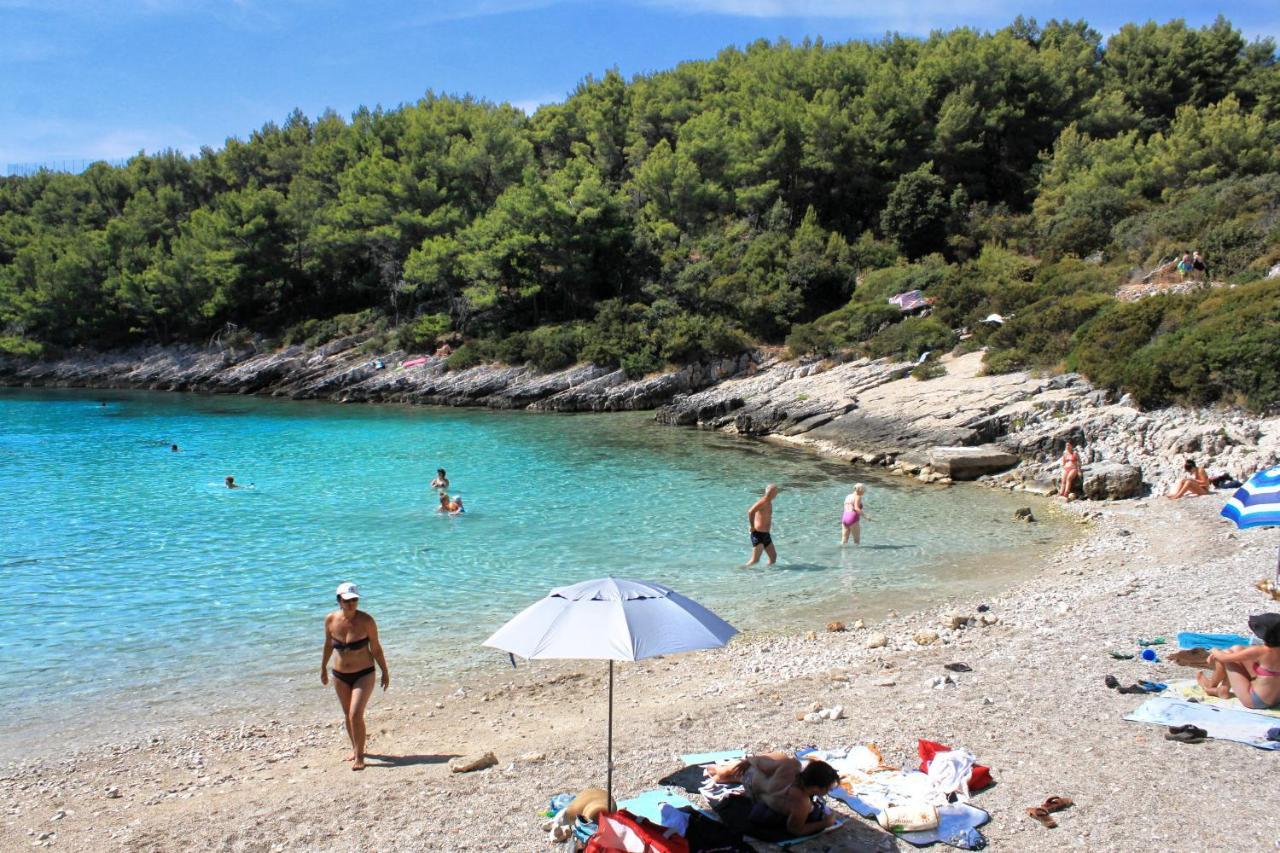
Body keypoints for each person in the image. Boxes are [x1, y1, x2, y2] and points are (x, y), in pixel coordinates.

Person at [321, 582, 390, 770]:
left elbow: (375, 648)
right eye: (347, 600)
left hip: (364, 673)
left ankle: (360, 757)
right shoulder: (330, 620)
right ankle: (355, 747)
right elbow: (328, 645)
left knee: (355, 714)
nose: (351, 604)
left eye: (354, 600)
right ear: (339, 601)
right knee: (347, 714)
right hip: (339, 675)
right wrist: (322, 669)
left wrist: (384, 671)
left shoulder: (367, 621)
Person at [708, 753, 839, 836]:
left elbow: (765, 766)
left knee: (780, 757)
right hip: (753, 793)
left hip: (751, 777)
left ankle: (722, 771)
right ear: (816, 787)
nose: (828, 791)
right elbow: (795, 829)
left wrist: (751, 760)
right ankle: (724, 774)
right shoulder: (801, 804)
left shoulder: (791, 766)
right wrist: (826, 823)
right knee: (777, 761)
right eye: (827, 788)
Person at [1195, 613, 1280, 710]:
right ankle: (1221, 688)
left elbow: (1223, 658)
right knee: (1237, 648)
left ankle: (1215, 687)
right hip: (1276, 699)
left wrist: (1212, 649)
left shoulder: (1259, 651)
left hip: (1256, 701)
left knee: (1228, 653)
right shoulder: (1265, 651)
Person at [744, 484, 779, 566]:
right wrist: (752, 527)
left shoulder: (769, 502)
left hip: (766, 534)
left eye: (775, 492)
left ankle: (768, 574)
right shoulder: (763, 501)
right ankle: (740, 571)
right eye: (774, 492)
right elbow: (750, 511)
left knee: (773, 558)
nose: (776, 494)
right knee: (755, 560)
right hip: (758, 534)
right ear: (769, 492)